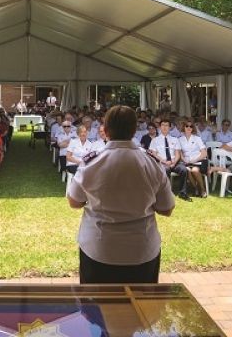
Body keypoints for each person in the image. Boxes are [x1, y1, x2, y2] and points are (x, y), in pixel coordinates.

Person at [67, 105, 175, 284]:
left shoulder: (91, 163)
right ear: (134, 130)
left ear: (106, 130)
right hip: (141, 250)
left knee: (96, 309)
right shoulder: (152, 163)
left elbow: (74, 202)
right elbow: (167, 208)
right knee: (141, 308)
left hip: (99, 249)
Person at [149, 120, 192, 201]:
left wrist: (174, 162)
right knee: (165, 169)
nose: (165, 127)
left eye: (167, 125)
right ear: (160, 127)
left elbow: (177, 154)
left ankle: (182, 193)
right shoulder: (155, 140)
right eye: (163, 125)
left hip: (174, 162)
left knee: (183, 169)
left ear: (170, 127)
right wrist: (164, 161)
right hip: (162, 162)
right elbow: (154, 154)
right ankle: (167, 193)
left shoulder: (175, 139)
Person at [178, 121, 208, 198]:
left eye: (191, 126)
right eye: (187, 126)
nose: (189, 128)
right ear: (183, 128)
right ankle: (196, 188)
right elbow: (180, 153)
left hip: (199, 160)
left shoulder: (197, 138)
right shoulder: (180, 139)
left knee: (194, 170)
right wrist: (184, 160)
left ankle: (202, 189)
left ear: (193, 128)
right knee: (187, 170)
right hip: (187, 162)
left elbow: (204, 153)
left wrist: (195, 160)